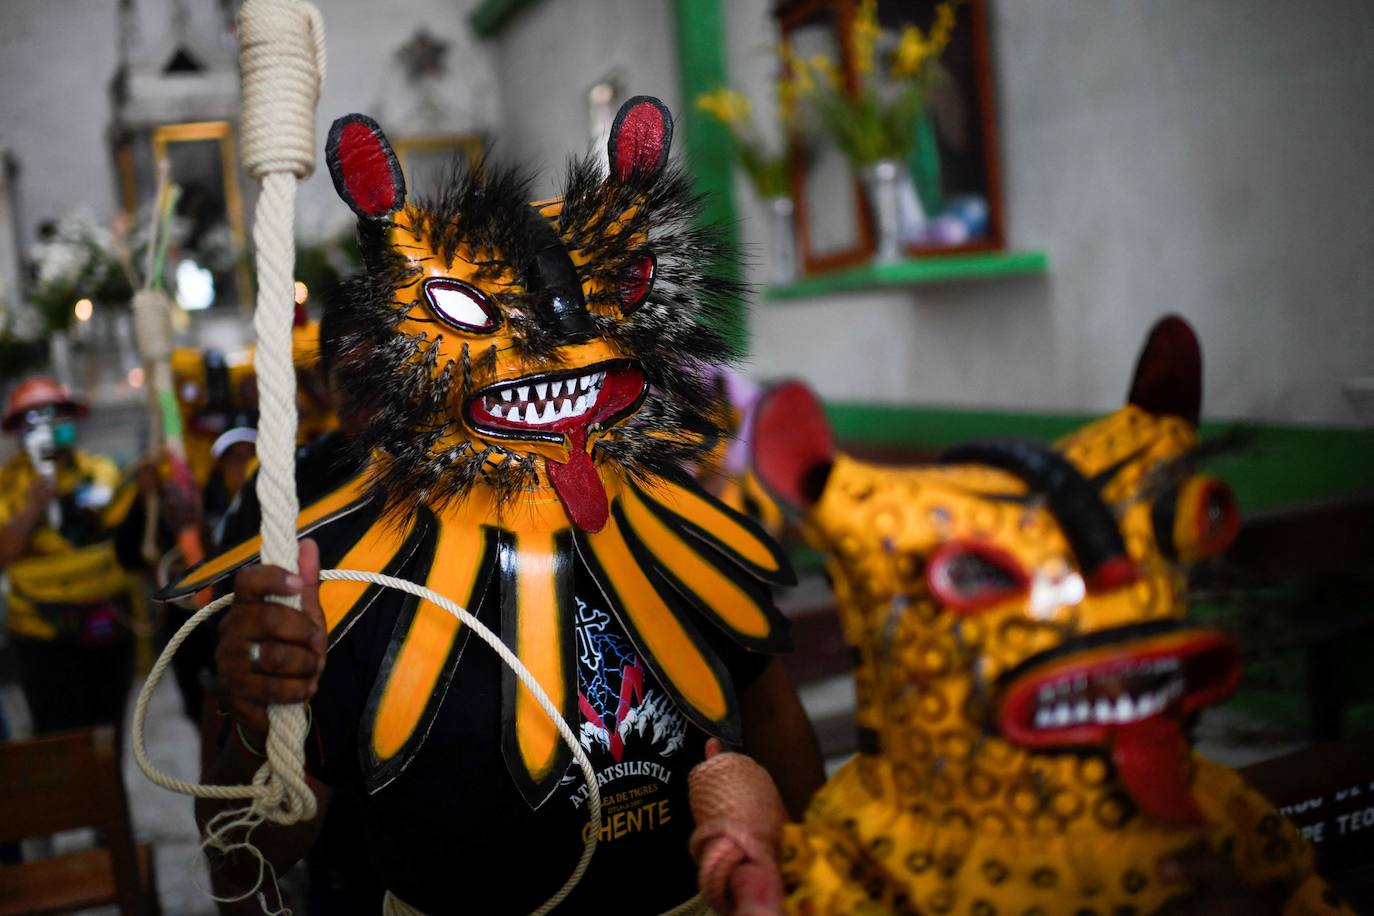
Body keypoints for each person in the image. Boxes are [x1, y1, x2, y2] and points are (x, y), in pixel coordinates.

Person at [188, 97, 825, 914]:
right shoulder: (339, 578)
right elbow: (244, 860)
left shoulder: (679, 525)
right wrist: (252, 713)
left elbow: (773, 716)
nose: (557, 356)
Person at [0, 377, 139, 743]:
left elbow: (122, 532)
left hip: (107, 624)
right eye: (33, 418)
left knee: (110, 737)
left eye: (57, 415)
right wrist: (32, 506)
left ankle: (111, 796)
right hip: (42, 636)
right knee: (62, 738)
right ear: (17, 429)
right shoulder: (6, 486)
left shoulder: (102, 471)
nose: (47, 426)